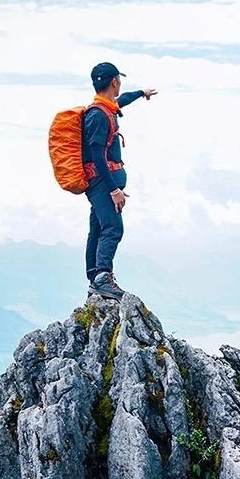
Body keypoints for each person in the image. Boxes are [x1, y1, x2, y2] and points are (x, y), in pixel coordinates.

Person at [83, 61, 156, 300]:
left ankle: (95, 276)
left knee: (98, 227)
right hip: (102, 183)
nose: (120, 85)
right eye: (119, 81)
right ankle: (103, 278)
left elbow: (121, 100)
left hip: (102, 183)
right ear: (114, 81)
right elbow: (96, 154)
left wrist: (140, 94)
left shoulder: (107, 108)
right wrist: (114, 189)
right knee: (113, 228)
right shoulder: (98, 116)